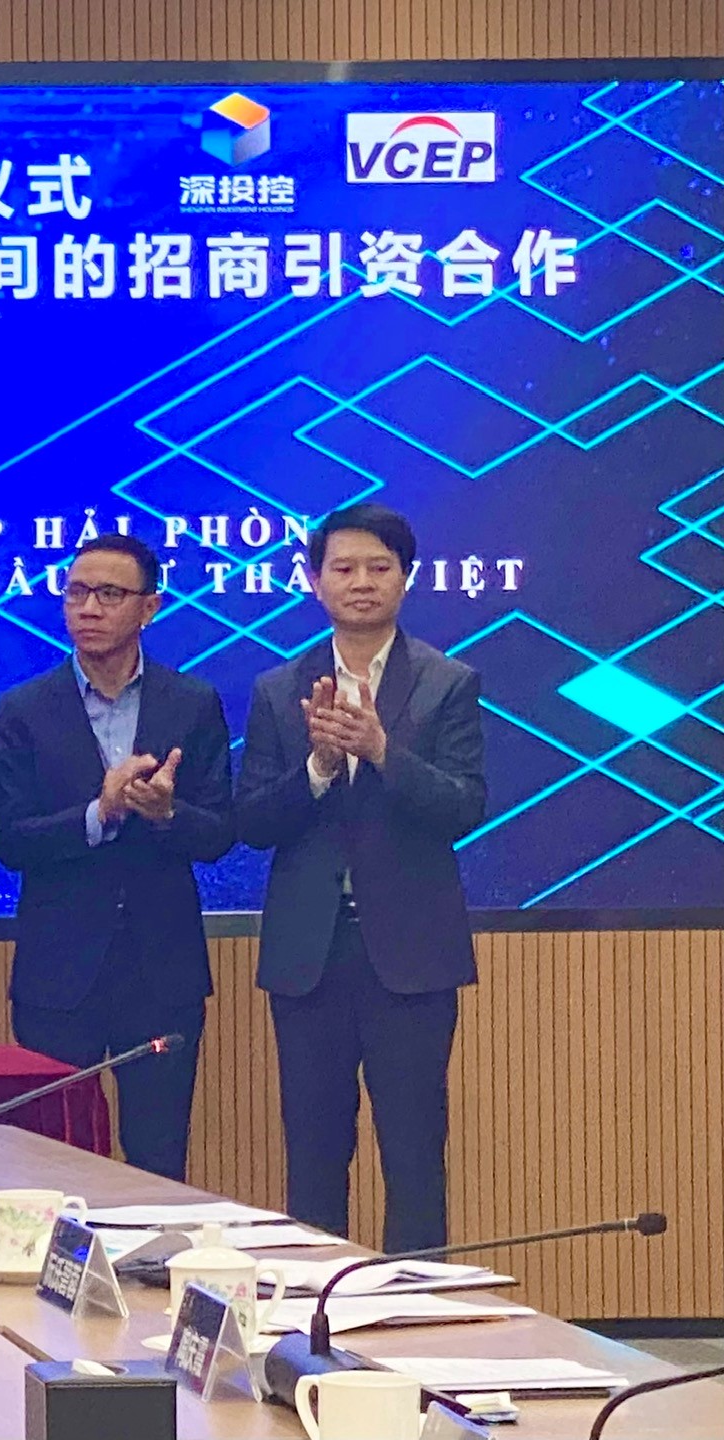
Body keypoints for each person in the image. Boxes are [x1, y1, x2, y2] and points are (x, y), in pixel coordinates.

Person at [239, 503, 484, 1251]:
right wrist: (316, 770)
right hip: (308, 956)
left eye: (380, 567)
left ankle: (418, 1305)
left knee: (414, 1155)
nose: (362, 582)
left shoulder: (446, 682)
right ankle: (319, 1308)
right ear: (315, 582)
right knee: (314, 1154)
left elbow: (464, 806)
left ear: (406, 579)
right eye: (343, 568)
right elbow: (252, 821)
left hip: (411, 957)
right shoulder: (279, 689)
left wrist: (382, 752)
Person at [0, 534, 232, 1181]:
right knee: (49, 1162)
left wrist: (166, 813)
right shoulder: (24, 709)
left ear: (150, 607)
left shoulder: (192, 703)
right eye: (76, 592)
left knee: (158, 1161)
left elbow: (219, 833)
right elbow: (9, 839)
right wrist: (100, 814)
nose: (88, 608)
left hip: (162, 972)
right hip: (58, 975)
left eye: (109, 594)